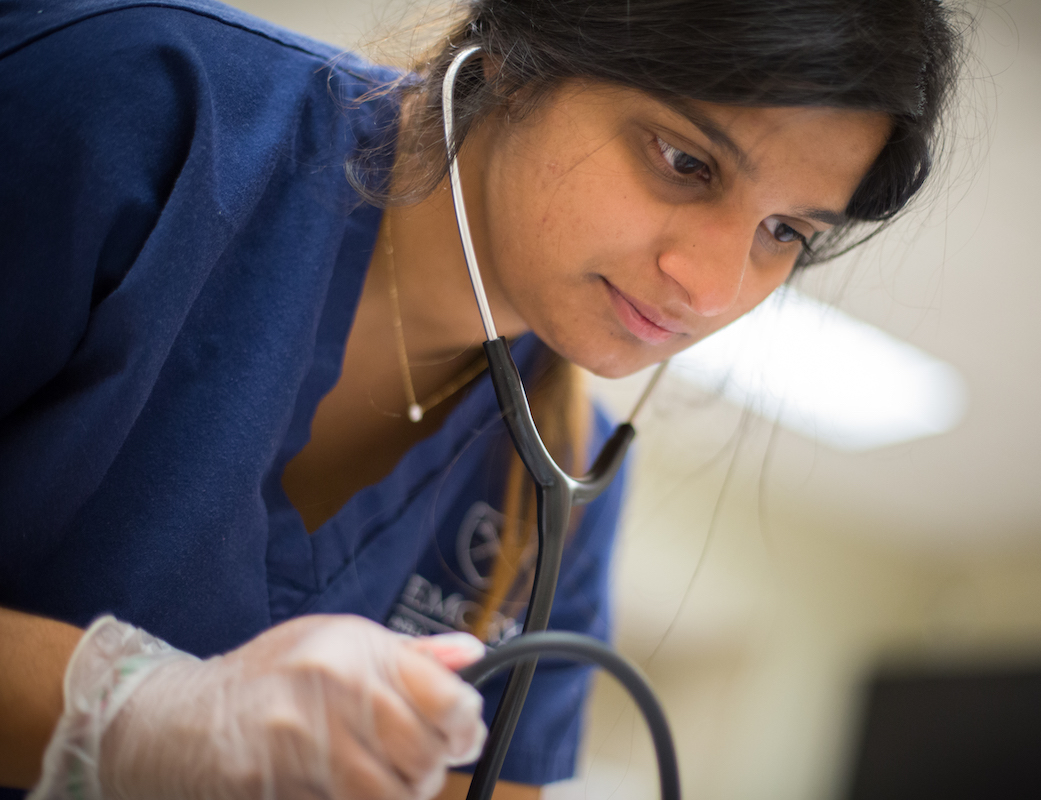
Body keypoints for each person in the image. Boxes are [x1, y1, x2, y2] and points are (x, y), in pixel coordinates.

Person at [0, 0, 964, 798]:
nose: (710, 285)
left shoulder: (553, 482)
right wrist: (134, 715)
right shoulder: (141, 111)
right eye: (684, 161)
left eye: (785, 230)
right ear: (513, 57)